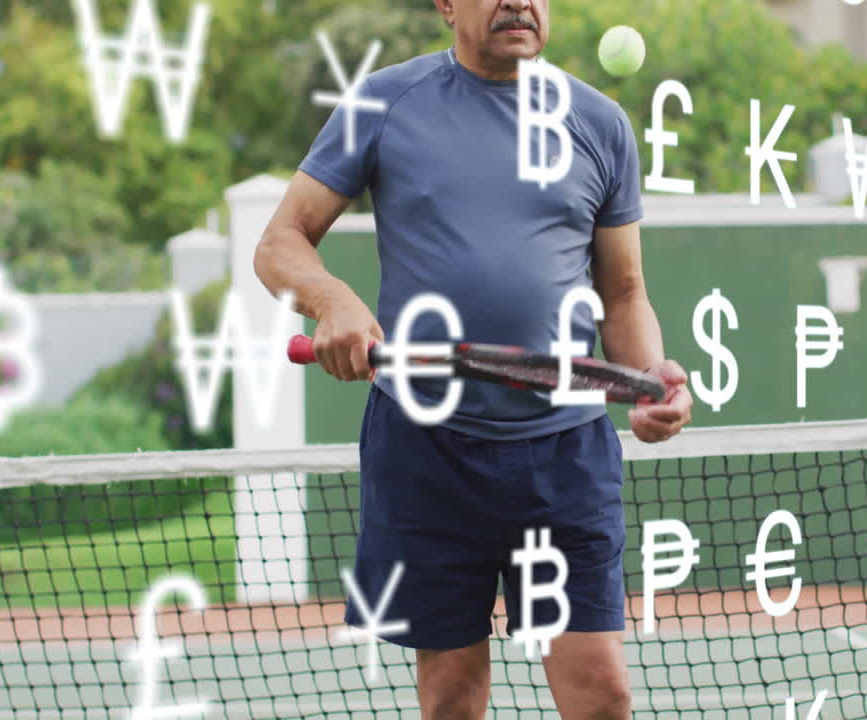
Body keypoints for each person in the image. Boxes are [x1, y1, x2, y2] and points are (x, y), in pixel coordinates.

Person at [254, 1, 692, 717]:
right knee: (452, 694)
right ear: (446, 5)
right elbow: (279, 243)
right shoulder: (382, 105)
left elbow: (623, 292)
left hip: (565, 457)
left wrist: (648, 380)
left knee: (603, 692)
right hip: (425, 451)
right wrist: (330, 300)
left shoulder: (600, 123)